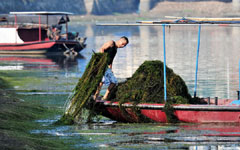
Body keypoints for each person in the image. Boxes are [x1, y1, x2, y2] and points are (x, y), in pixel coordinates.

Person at [93, 36, 129, 100]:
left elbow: (111, 60)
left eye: (124, 45)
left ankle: (105, 97)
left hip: (107, 66)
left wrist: (110, 69)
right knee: (102, 81)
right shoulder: (111, 43)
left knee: (114, 82)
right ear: (120, 40)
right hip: (102, 64)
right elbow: (102, 49)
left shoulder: (115, 49)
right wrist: (102, 62)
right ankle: (96, 96)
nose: (123, 46)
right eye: (123, 44)